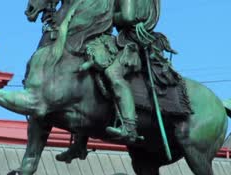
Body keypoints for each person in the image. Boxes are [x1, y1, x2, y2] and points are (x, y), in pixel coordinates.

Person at [57, 0, 173, 163]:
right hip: (118, 39)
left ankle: (129, 127)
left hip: (132, 43)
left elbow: (127, 16)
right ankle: (79, 143)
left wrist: (100, 15)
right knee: (87, 76)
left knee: (113, 74)